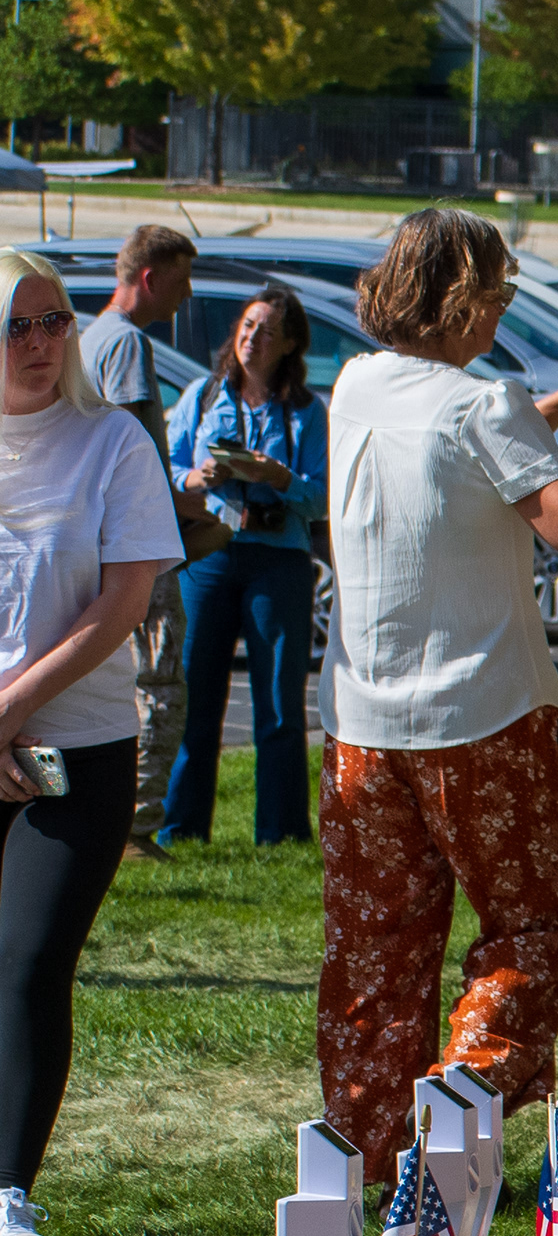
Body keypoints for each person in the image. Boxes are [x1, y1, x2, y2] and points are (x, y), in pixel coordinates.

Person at [318, 207, 558, 1157]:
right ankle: (460, 1105)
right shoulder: (482, 403)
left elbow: (454, 457)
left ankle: (368, 1148)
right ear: (464, 302)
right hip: (488, 716)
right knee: (533, 927)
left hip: (362, 724)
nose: (499, 315)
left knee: (376, 947)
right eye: (496, 296)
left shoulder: (358, 387)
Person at [0, 253, 186, 1236]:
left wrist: (11, 711)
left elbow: (121, 606)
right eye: (15, 327)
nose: (37, 344)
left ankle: (7, 1195)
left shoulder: (111, 440)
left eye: (52, 322)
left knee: (29, 962)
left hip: (76, 745)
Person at [162, 284, 326, 846]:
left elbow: (323, 499)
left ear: (289, 346)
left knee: (280, 704)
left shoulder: (307, 411)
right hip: (211, 555)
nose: (253, 339)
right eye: (248, 326)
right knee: (195, 697)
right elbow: (169, 468)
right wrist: (199, 477)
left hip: (278, 562)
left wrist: (282, 479)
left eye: (268, 332)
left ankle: (280, 835)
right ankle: (179, 829)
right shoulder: (204, 396)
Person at [75, 224, 198, 863]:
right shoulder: (125, 344)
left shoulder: (89, 338)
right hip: (134, 542)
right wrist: (183, 504)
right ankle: (136, 826)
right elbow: (132, 443)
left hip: (97, 541)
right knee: (160, 676)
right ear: (149, 279)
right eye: (180, 282)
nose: (185, 297)